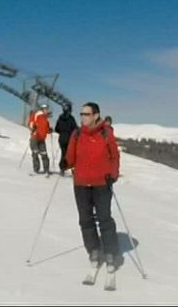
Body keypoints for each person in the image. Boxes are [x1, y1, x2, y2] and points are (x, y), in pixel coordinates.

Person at [66, 102, 121, 273]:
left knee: (104, 218)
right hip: (81, 183)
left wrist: (113, 175)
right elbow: (71, 156)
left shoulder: (106, 133)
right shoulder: (76, 134)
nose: (83, 117)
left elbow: (114, 156)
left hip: (102, 183)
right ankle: (94, 250)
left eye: (86, 114)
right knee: (85, 219)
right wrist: (66, 163)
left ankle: (111, 252)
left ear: (96, 116)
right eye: (81, 114)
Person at [54, 104, 78, 176]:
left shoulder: (60, 118)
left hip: (61, 139)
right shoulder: (71, 118)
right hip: (69, 139)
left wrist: (62, 132)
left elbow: (56, 129)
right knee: (72, 154)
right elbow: (75, 129)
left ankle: (62, 169)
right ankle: (73, 170)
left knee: (63, 154)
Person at [28, 104, 52, 174]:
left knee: (44, 154)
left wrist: (49, 130)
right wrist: (33, 127)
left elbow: (46, 129)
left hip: (42, 139)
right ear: (42, 109)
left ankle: (46, 169)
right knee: (35, 153)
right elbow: (30, 123)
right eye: (45, 109)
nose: (47, 110)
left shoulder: (46, 119)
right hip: (35, 138)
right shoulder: (36, 115)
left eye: (47, 109)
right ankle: (36, 169)